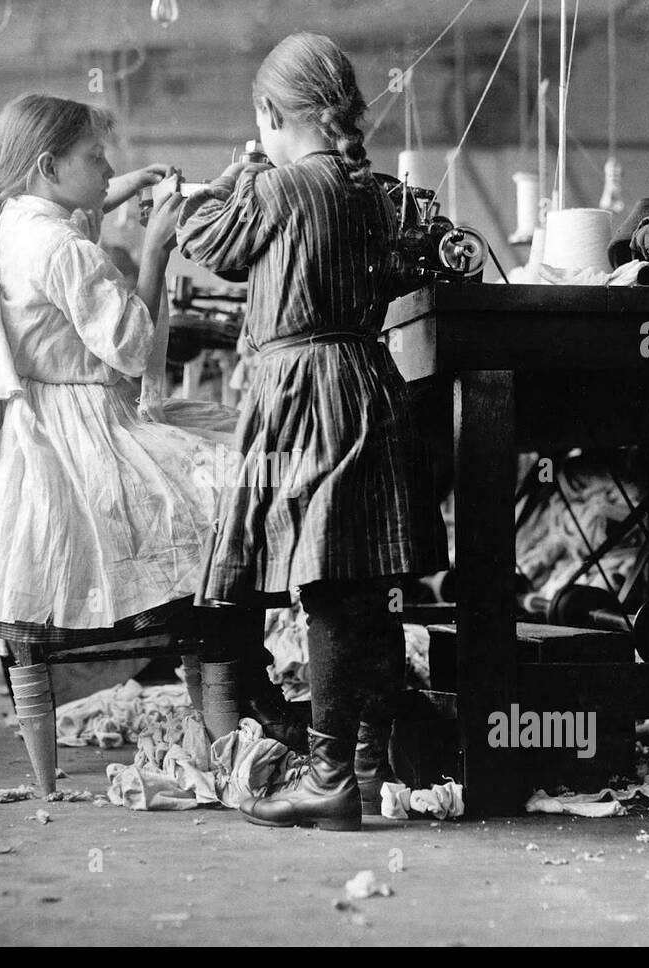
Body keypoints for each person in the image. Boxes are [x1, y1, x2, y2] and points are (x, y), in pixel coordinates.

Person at [178, 33, 448, 831]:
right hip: (369, 379)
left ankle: (330, 777)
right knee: (363, 580)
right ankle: (362, 762)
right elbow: (418, 264)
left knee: (328, 582)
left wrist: (233, 176)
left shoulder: (279, 188)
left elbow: (203, 243)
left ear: (270, 113)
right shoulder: (379, 195)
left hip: (304, 390)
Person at [0, 93, 297, 744]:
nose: (108, 165)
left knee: (226, 453)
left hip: (43, 434)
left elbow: (73, 226)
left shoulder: (11, 227)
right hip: (86, 444)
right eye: (96, 158)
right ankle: (245, 692)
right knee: (237, 485)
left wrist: (120, 191)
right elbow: (137, 348)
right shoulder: (64, 248)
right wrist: (156, 251)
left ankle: (240, 684)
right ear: (49, 167)